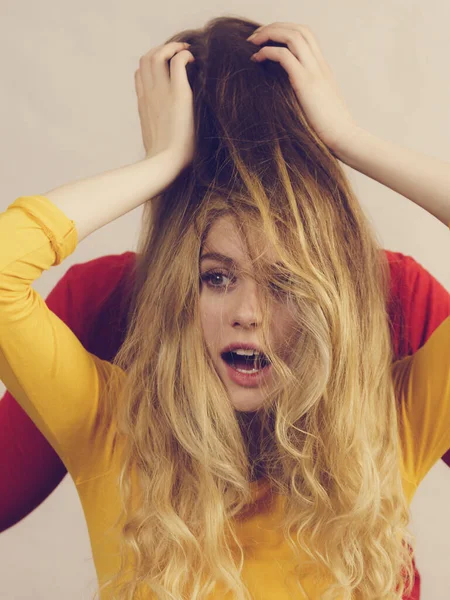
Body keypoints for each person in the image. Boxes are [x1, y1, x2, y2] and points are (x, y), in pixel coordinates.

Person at [0, 16, 449, 600]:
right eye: (217, 277)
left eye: (285, 282)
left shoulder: (392, 425)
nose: (248, 313)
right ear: (178, 292)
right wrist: (158, 166)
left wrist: (348, 138)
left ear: (326, 299)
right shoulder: (112, 427)